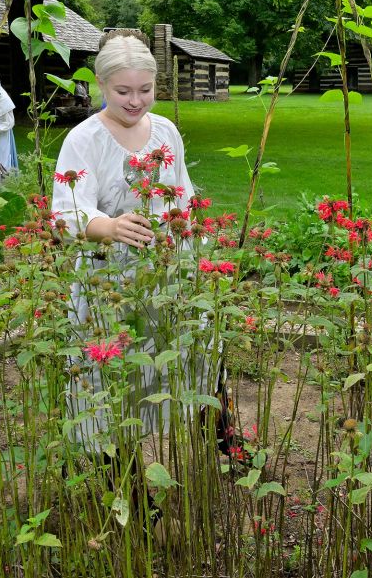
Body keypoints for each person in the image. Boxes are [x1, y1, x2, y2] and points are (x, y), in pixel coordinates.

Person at [51, 29, 225, 454]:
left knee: (191, 349)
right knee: (114, 366)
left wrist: (195, 243)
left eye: (145, 90)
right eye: (122, 90)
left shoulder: (165, 131)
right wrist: (106, 227)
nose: (135, 100)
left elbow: (182, 192)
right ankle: (114, 466)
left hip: (171, 269)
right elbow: (66, 210)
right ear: (101, 85)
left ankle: (218, 437)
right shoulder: (86, 139)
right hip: (111, 279)